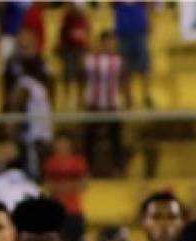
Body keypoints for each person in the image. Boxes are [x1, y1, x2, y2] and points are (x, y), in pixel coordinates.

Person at [83, 30, 127, 177]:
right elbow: (81, 79)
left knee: (116, 138)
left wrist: (127, 100)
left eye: (112, 42)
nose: (110, 45)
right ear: (101, 43)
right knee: (90, 138)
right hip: (93, 105)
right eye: (107, 42)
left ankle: (118, 167)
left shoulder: (118, 61)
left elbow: (124, 81)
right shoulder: (90, 60)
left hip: (112, 105)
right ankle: (86, 168)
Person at [42, 132, 90, 241]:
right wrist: (70, 187)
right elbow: (48, 185)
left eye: (64, 144)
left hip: (74, 211)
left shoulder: (79, 161)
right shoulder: (50, 162)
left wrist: (61, 188)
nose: (62, 147)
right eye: (59, 144)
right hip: (56, 213)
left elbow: (83, 184)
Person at [112, 1, 151, 107]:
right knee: (125, 69)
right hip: (123, 33)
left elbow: (150, 4)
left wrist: (149, 21)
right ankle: (128, 98)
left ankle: (146, 96)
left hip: (139, 31)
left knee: (144, 67)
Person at [56, 2, 90, 110]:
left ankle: (81, 99)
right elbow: (62, 34)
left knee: (82, 74)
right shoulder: (66, 19)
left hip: (81, 49)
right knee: (68, 75)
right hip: (68, 50)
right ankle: (66, 99)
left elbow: (88, 32)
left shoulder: (84, 19)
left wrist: (87, 46)